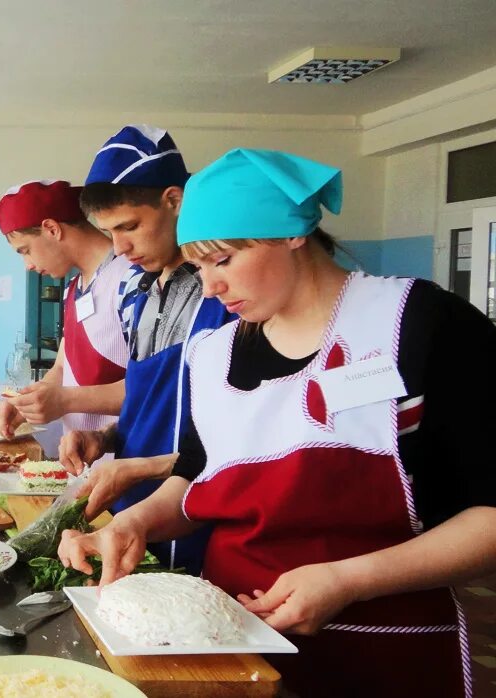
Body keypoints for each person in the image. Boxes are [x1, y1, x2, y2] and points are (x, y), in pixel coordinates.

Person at [59, 148, 496, 697]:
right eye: (198, 267)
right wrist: (136, 524)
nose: (212, 288)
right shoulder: (213, 355)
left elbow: (489, 518)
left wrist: (346, 579)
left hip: (380, 644)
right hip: (227, 642)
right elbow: (196, 476)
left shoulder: (419, 325)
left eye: (224, 261)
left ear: (292, 233)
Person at [62, 125, 234, 574]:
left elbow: (240, 439)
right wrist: (106, 439)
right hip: (133, 512)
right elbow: (148, 401)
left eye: (130, 227)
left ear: (174, 201)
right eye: (108, 232)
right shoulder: (138, 294)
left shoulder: (228, 297)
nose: (120, 247)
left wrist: (143, 468)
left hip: (197, 512)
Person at [0, 180, 128, 448]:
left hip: (123, 460)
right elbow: (63, 367)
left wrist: (64, 400)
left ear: (52, 229)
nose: (27, 265)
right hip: (82, 461)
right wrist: (29, 401)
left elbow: (155, 388)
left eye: (25, 250)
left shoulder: (128, 279)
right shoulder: (74, 289)